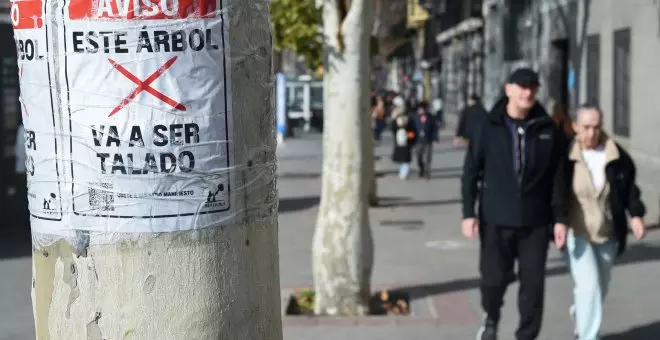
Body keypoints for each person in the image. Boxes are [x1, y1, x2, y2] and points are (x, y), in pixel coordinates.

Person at [461, 68, 568, 340]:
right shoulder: (488, 126)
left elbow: (558, 176)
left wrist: (560, 218)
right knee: (493, 280)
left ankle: (527, 336)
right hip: (495, 217)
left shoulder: (547, 129)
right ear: (508, 89)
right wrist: (468, 213)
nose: (527, 92)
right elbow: (471, 171)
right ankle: (491, 318)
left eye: (532, 87)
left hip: (535, 222)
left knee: (533, 287)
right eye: (521, 87)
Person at [564, 104, 646, 340]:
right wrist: (556, 221)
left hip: (608, 232)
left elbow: (629, 189)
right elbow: (555, 190)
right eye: (586, 127)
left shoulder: (616, 155)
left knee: (600, 287)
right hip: (577, 232)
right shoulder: (565, 156)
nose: (592, 133)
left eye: (597, 127)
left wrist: (636, 215)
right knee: (588, 286)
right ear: (575, 127)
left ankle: (580, 312)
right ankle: (589, 335)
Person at [390, 98, 417, 180]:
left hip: (403, 140)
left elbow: (393, 128)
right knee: (404, 158)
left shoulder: (397, 118)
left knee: (404, 158)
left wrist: (408, 136)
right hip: (405, 140)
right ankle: (403, 171)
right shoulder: (408, 117)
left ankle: (403, 172)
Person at [412, 102, 438, 179]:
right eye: (419, 109)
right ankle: (421, 168)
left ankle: (427, 172)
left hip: (428, 140)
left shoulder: (431, 117)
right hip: (418, 140)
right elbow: (412, 128)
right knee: (418, 156)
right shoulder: (415, 117)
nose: (420, 111)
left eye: (422, 109)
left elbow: (435, 129)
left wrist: (435, 138)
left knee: (428, 157)